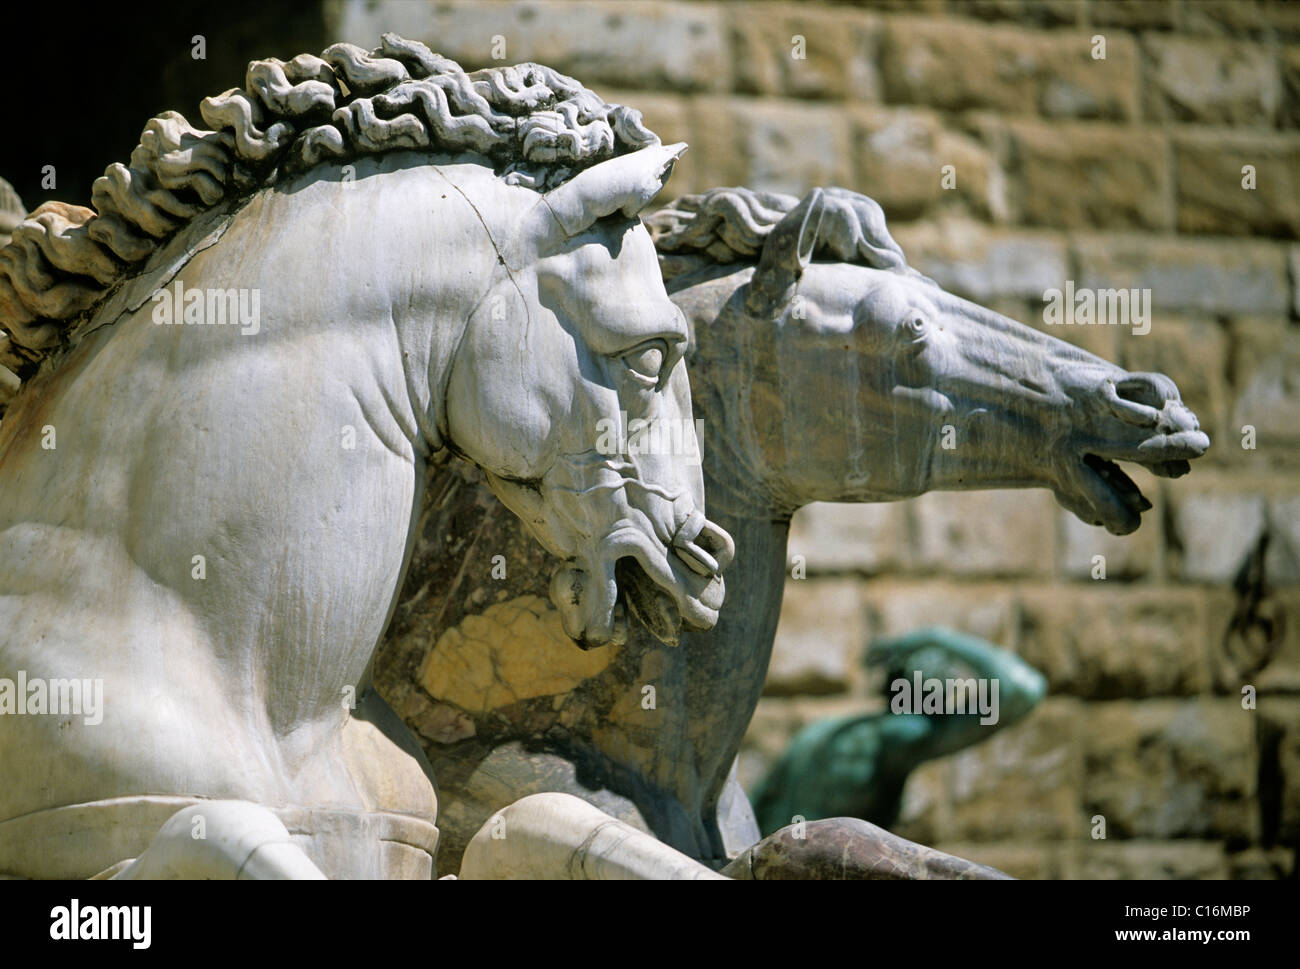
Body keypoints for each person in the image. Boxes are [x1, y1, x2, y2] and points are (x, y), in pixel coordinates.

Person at [750, 626, 1046, 836]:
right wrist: (937, 636)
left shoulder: (821, 733)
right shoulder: (903, 739)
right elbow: (1023, 689)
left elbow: (759, 801)